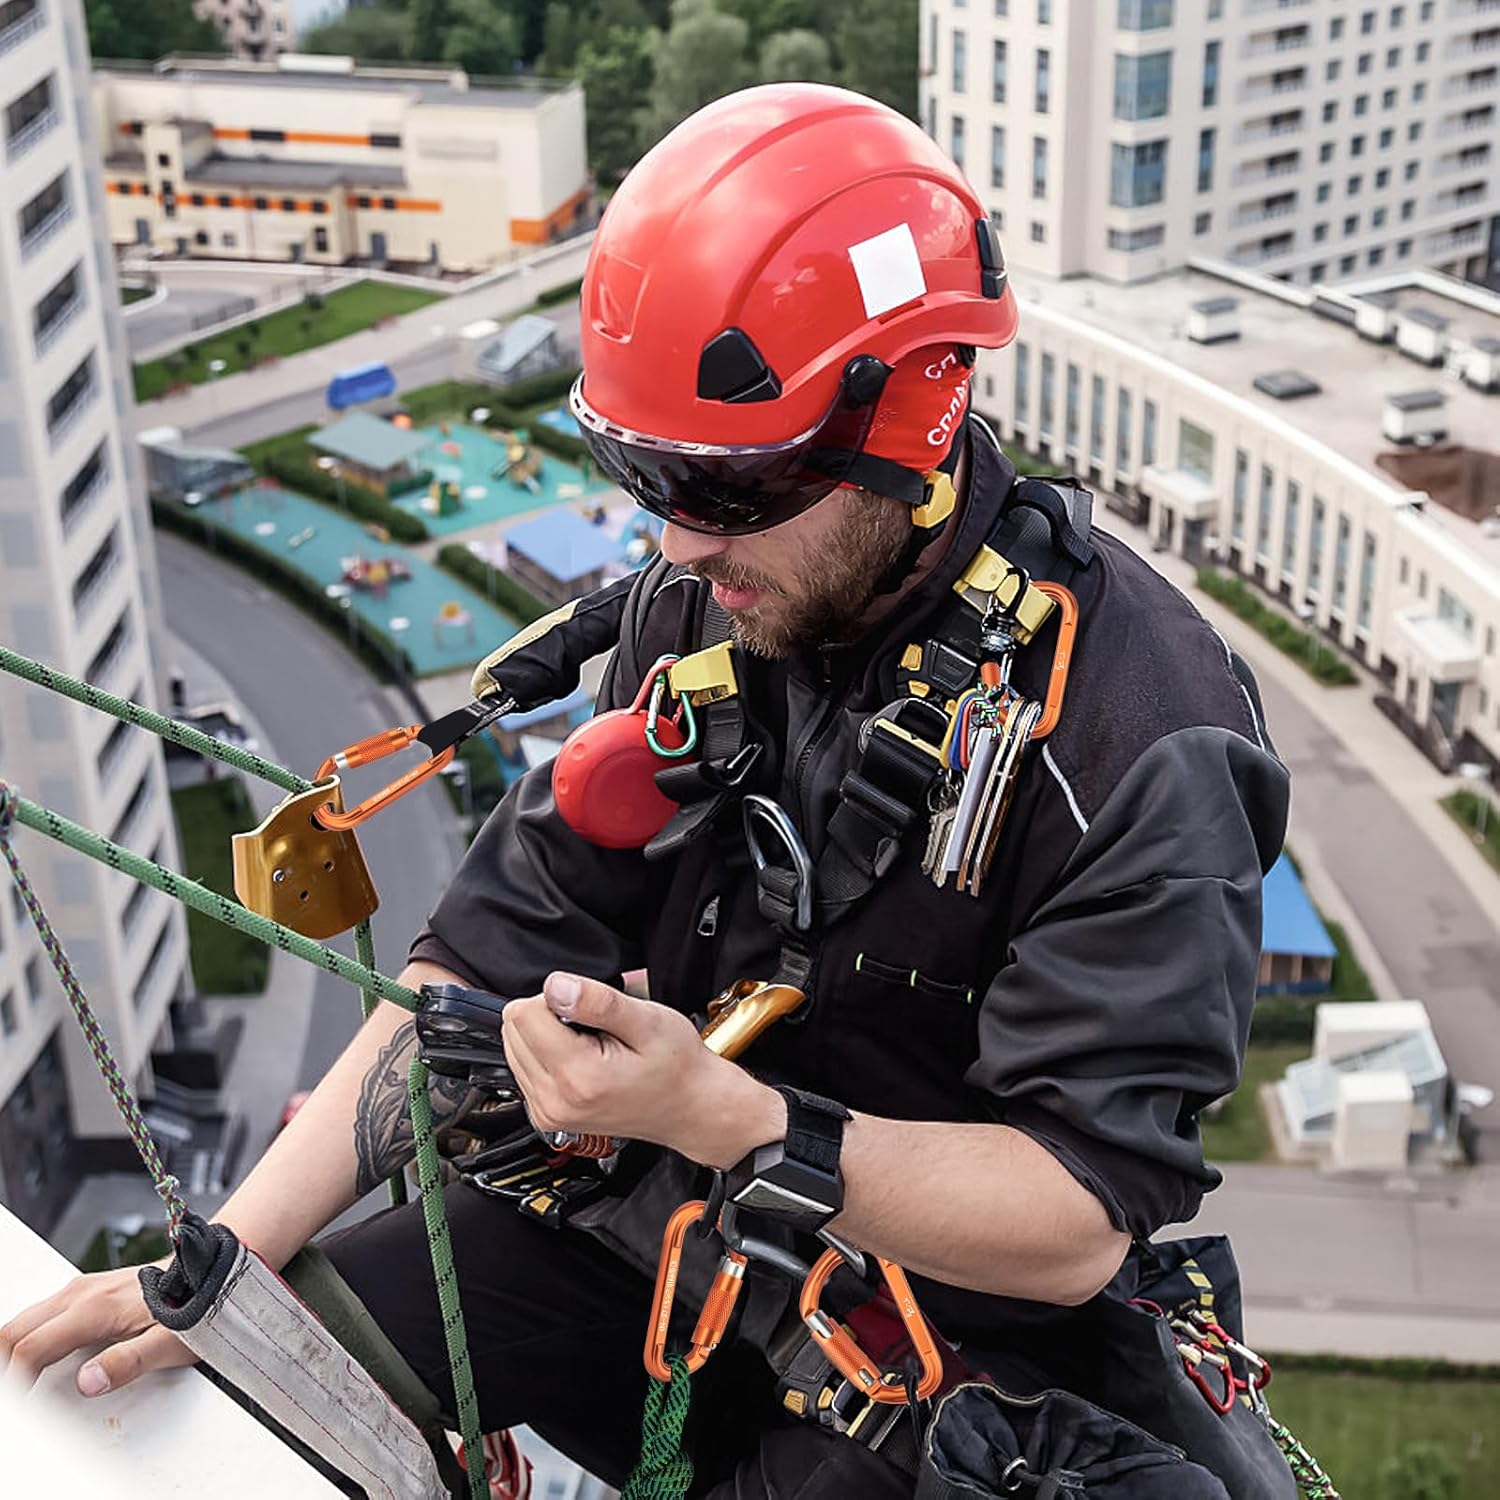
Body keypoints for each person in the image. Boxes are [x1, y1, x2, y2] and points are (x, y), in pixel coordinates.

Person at [1, 85, 1289, 1497]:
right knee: (272, 1379)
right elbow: (465, 975)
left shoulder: (1135, 739)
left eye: (723, 487)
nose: (677, 543)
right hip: (658, 1223)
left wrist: (729, 1120)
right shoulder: (701, 620)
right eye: (644, 476)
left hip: (952, 1334)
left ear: (912, 417)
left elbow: (1077, 1214)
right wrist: (229, 1267)